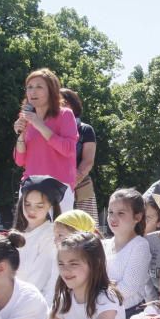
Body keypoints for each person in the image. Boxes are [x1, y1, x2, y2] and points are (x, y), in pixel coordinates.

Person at [13, 68, 77, 213]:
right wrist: (21, 135)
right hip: (30, 187)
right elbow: (19, 161)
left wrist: (40, 125)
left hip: (59, 187)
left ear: (51, 91)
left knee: (57, 234)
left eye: (39, 87)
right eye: (29, 87)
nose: (32, 92)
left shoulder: (65, 115)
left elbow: (68, 149)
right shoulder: (26, 118)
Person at [14, 176, 65, 300]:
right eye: (27, 204)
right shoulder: (18, 233)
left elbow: (38, 280)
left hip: (34, 304)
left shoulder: (51, 235)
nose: (31, 210)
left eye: (39, 206)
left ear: (50, 206)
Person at [104, 189, 152, 317]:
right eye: (110, 212)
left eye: (121, 213)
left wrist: (100, 290)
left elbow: (128, 288)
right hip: (103, 311)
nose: (113, 218)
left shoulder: (140, 246)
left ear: (137, 217)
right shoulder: (104, 245)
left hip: (129, 313)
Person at [60, 88, 99, 225]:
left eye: (64, 102)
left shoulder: (85, 129)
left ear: (73, 105)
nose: (59, 106)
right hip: (54, 182)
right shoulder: (49, 129)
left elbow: (88, 161)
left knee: (87, 226)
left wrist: (73, 180)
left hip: (80, 183)